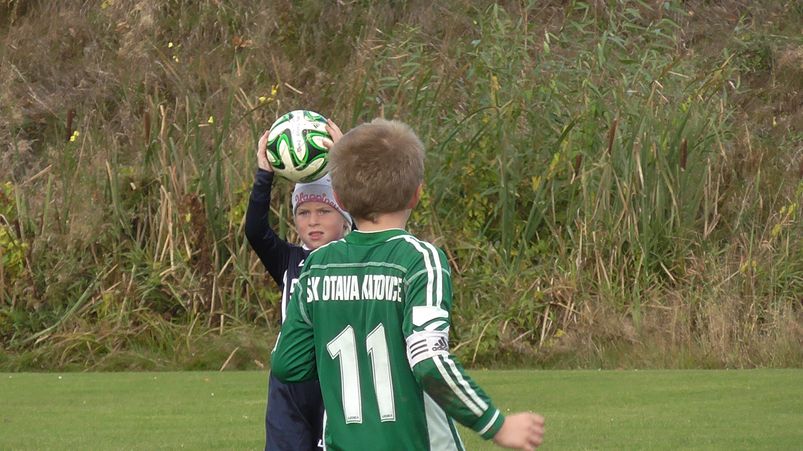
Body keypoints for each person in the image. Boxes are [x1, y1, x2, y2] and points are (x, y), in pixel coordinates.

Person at [271, 119, 545, 450]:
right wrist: (496, 425)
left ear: (339, 200)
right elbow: (428, 360)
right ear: (416, 194)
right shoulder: (418, 260)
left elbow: (288, 363)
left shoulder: (318, 265)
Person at [245, 119, 352, 451]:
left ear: (345, 219)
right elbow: (255, 230)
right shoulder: (288, 259)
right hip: (288, 382)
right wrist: (265, 175)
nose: (313, 220)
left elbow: (368, 217)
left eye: (323, 210)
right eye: (303, 212)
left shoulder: (354, 257)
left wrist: (347, 160)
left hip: (335, 376)